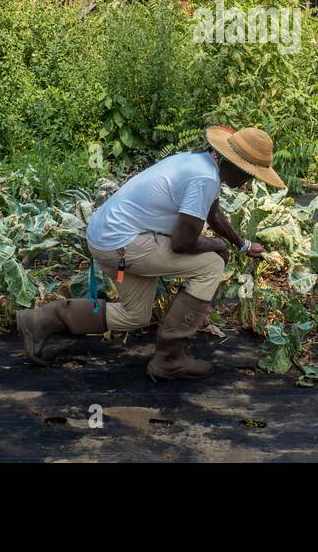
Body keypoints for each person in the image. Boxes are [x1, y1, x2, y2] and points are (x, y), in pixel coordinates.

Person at [16, 126, 285, 381]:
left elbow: (212, 213)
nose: (250, 180)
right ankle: (170, 357)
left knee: (135, 315)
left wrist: (243, 245)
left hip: (109, 238)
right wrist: (219, 246)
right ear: (236, 166)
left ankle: (41, 320)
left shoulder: (200, 162)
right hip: (122, 245)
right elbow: (182, 243)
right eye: (251, 174)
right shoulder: (204, 177)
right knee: (211, 264)